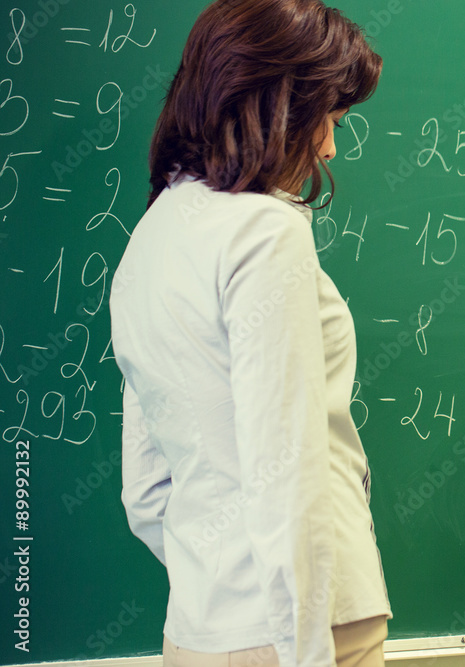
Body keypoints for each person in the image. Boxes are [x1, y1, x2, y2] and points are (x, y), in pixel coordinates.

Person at [109, 1, 388, 666]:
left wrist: (215, 575)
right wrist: (303, 649)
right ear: (279, 102)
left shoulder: (150, 237)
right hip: (304, 632)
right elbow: (284, 468)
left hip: (200, 629)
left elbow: (144, 489)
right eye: (329, 118)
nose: (328, 146)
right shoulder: (266, 231)